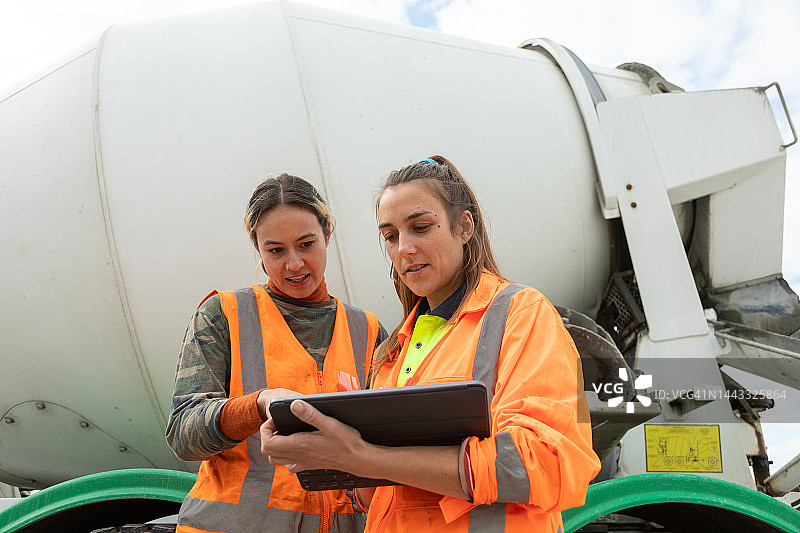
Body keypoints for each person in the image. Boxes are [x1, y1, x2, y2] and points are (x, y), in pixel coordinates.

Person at [260, 156, 600, 532]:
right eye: (390, 236)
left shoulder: (521, 313)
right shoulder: (392, 352)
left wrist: (365, 456)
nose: (403, 248)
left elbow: (550, 463)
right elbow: (387, 496)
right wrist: (325, 451)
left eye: (421, 228)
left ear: (464, 226)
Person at [166, 173, 387, 533]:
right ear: (257, 248)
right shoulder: (223, 316)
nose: (294, 264)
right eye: (276, 250)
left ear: (327, 234)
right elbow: (183, 434)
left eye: (306, 244)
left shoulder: (369, 332)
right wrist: (258, 405)